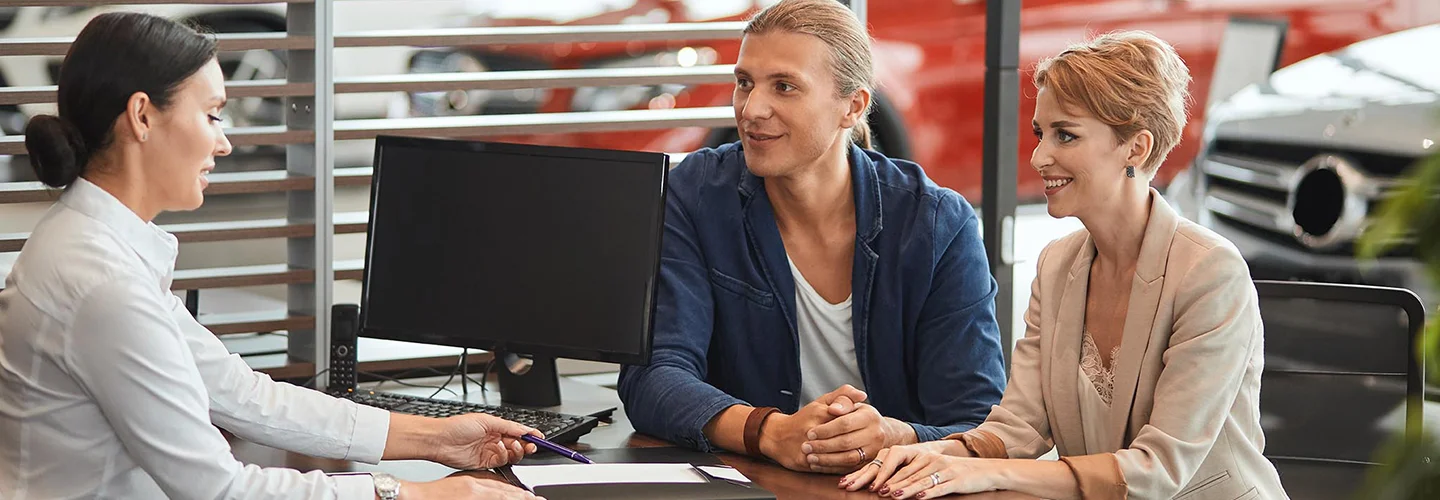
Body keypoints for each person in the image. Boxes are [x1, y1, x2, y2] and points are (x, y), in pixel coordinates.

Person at [0, 13, 543, 500]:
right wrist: (416, 496)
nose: (225, 142)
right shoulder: (101, 284)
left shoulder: (95, 248)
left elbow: (241, 394)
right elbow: (220, 489)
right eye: (213, 115)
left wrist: (439, 439)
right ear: (142, 116)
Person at [841, 31, 1289, 499]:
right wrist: (934, 454)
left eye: (1065, 135)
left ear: (1135, 148)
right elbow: (1019, 427)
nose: (1039, 156)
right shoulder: (1058, 265)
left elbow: (1158, 470)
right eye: (1041, 133)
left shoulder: (1210, 274)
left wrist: (987, 474)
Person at [617, 0, 1007, 475]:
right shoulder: (696, 194)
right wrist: (770, 432)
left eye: (784, 86)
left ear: (853, 106)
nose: (751, 108)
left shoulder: (936, 222)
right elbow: (654, 376)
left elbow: (979, 424)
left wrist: (892, 433)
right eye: (744, 83)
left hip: (893, 485)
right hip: (754, 482)